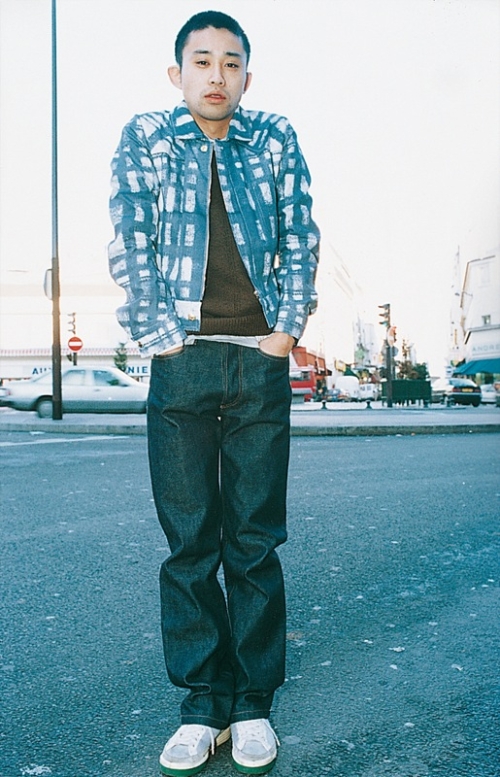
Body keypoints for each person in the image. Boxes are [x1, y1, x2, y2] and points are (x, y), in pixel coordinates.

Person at [108, 10, 320, 775]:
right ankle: (203, 702)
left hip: (259, 357)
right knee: (191, 541)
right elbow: (130, 236)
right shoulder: (147, 136)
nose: (217, 75)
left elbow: (300, 233)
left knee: (254, 539)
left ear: (247, 77)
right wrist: (162, 334)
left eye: (231, 63)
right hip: (184, 359)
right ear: (179, 74)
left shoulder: (275, 137)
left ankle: (253, 701)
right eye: (202, 61)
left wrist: (286, 330)